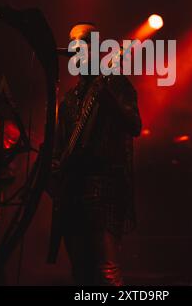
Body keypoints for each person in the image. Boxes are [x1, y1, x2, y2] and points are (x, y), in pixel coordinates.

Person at [53, 23, 142, 286]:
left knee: (107, 271)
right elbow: (59, 150)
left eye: (81, 44)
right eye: (72, 45)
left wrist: (107, 98)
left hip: (105, 188)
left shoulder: (116, 85)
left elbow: (134, 125)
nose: (75, 51)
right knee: (81, 271)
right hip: (73, 191)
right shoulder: (69, 99)